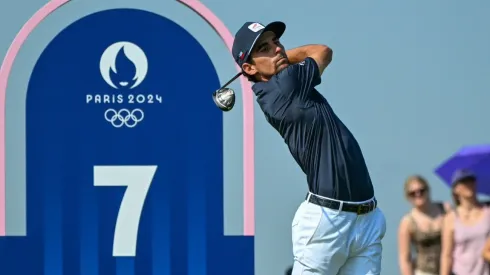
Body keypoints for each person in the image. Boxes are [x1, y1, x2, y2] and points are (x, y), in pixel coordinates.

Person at [231, 21, 386, 274]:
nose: (278, 50)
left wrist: (267, 61)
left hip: (366, 218)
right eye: (264, 48)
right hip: (327, 221)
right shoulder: (285, 84)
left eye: (276, 43)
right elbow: (322, 51)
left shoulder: (283, 84)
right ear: (248, 67)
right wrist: (281, 59)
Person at [397, 175, 450, 275]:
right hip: (424, 271)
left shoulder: (445, 209)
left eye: (421, 190)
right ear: (408, 197)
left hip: (450, 268)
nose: (418, 194)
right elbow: (405, 259)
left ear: (428, 190)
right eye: (413, 193)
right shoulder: (407, 222)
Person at [440, 169, 490, 275]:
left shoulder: (487, 212)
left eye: (471, 181)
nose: (469, 185)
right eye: (464, 182)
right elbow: (447, 255)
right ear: (456, 190)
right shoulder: (451, 218)